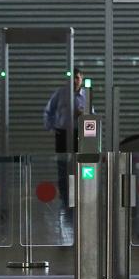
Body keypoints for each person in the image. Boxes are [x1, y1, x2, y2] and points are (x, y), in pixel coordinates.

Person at [43, 70, 87, 209]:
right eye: (73, 77)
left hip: (79, 134)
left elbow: (92, 116)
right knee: (62, 166)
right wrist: (51, 127)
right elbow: (48, 111)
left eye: (77, 78)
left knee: (79, 165)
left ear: (82, 79)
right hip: (62, 134)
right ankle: (64, 198)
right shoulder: (60, 93)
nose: (75, 81)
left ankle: (79, 196)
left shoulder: (86, 95)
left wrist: (84, 115)